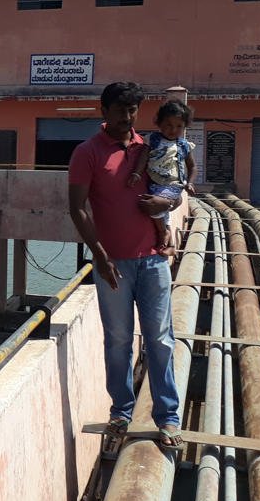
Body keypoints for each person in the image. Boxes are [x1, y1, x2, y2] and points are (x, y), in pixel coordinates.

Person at [67, 81, 182, 448]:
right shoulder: (87, 153)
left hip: (152, 262)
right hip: (113, 264)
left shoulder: (149, 147)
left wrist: (166, 206)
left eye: (132, 111)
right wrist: (98, 254)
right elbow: (77, 207)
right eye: (120, 111)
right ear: (103, 110)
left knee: (161, 340)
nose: (126, 118)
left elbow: (175, 187)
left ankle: (168, 418)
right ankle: (121, 411)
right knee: (118, 341)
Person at [128, 100, 197, 256]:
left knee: (155, 206)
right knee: (158, 208)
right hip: (155, 184)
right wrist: (137, 173)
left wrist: (190, 183)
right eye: (168, 125)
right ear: (159, 123)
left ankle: (163, 232)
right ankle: (170, 244)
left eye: (179, 126)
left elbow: (193, 167)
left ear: (185, 125)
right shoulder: (152, 140)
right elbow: (143, 159)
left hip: (173, 185)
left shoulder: (184, 145)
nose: (173, 130)